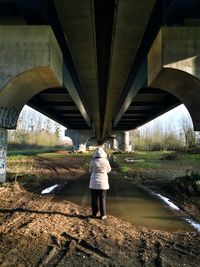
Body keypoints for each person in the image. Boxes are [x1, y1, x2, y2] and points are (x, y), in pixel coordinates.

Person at [89, 147, 111, 220]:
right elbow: (109, 170)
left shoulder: (92, 161)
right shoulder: (106, 161)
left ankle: (94, 214)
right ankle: (103, 215)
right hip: (103, 182)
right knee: (102, 199)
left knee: (94, 199)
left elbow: (90, 170)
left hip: (94, 182)